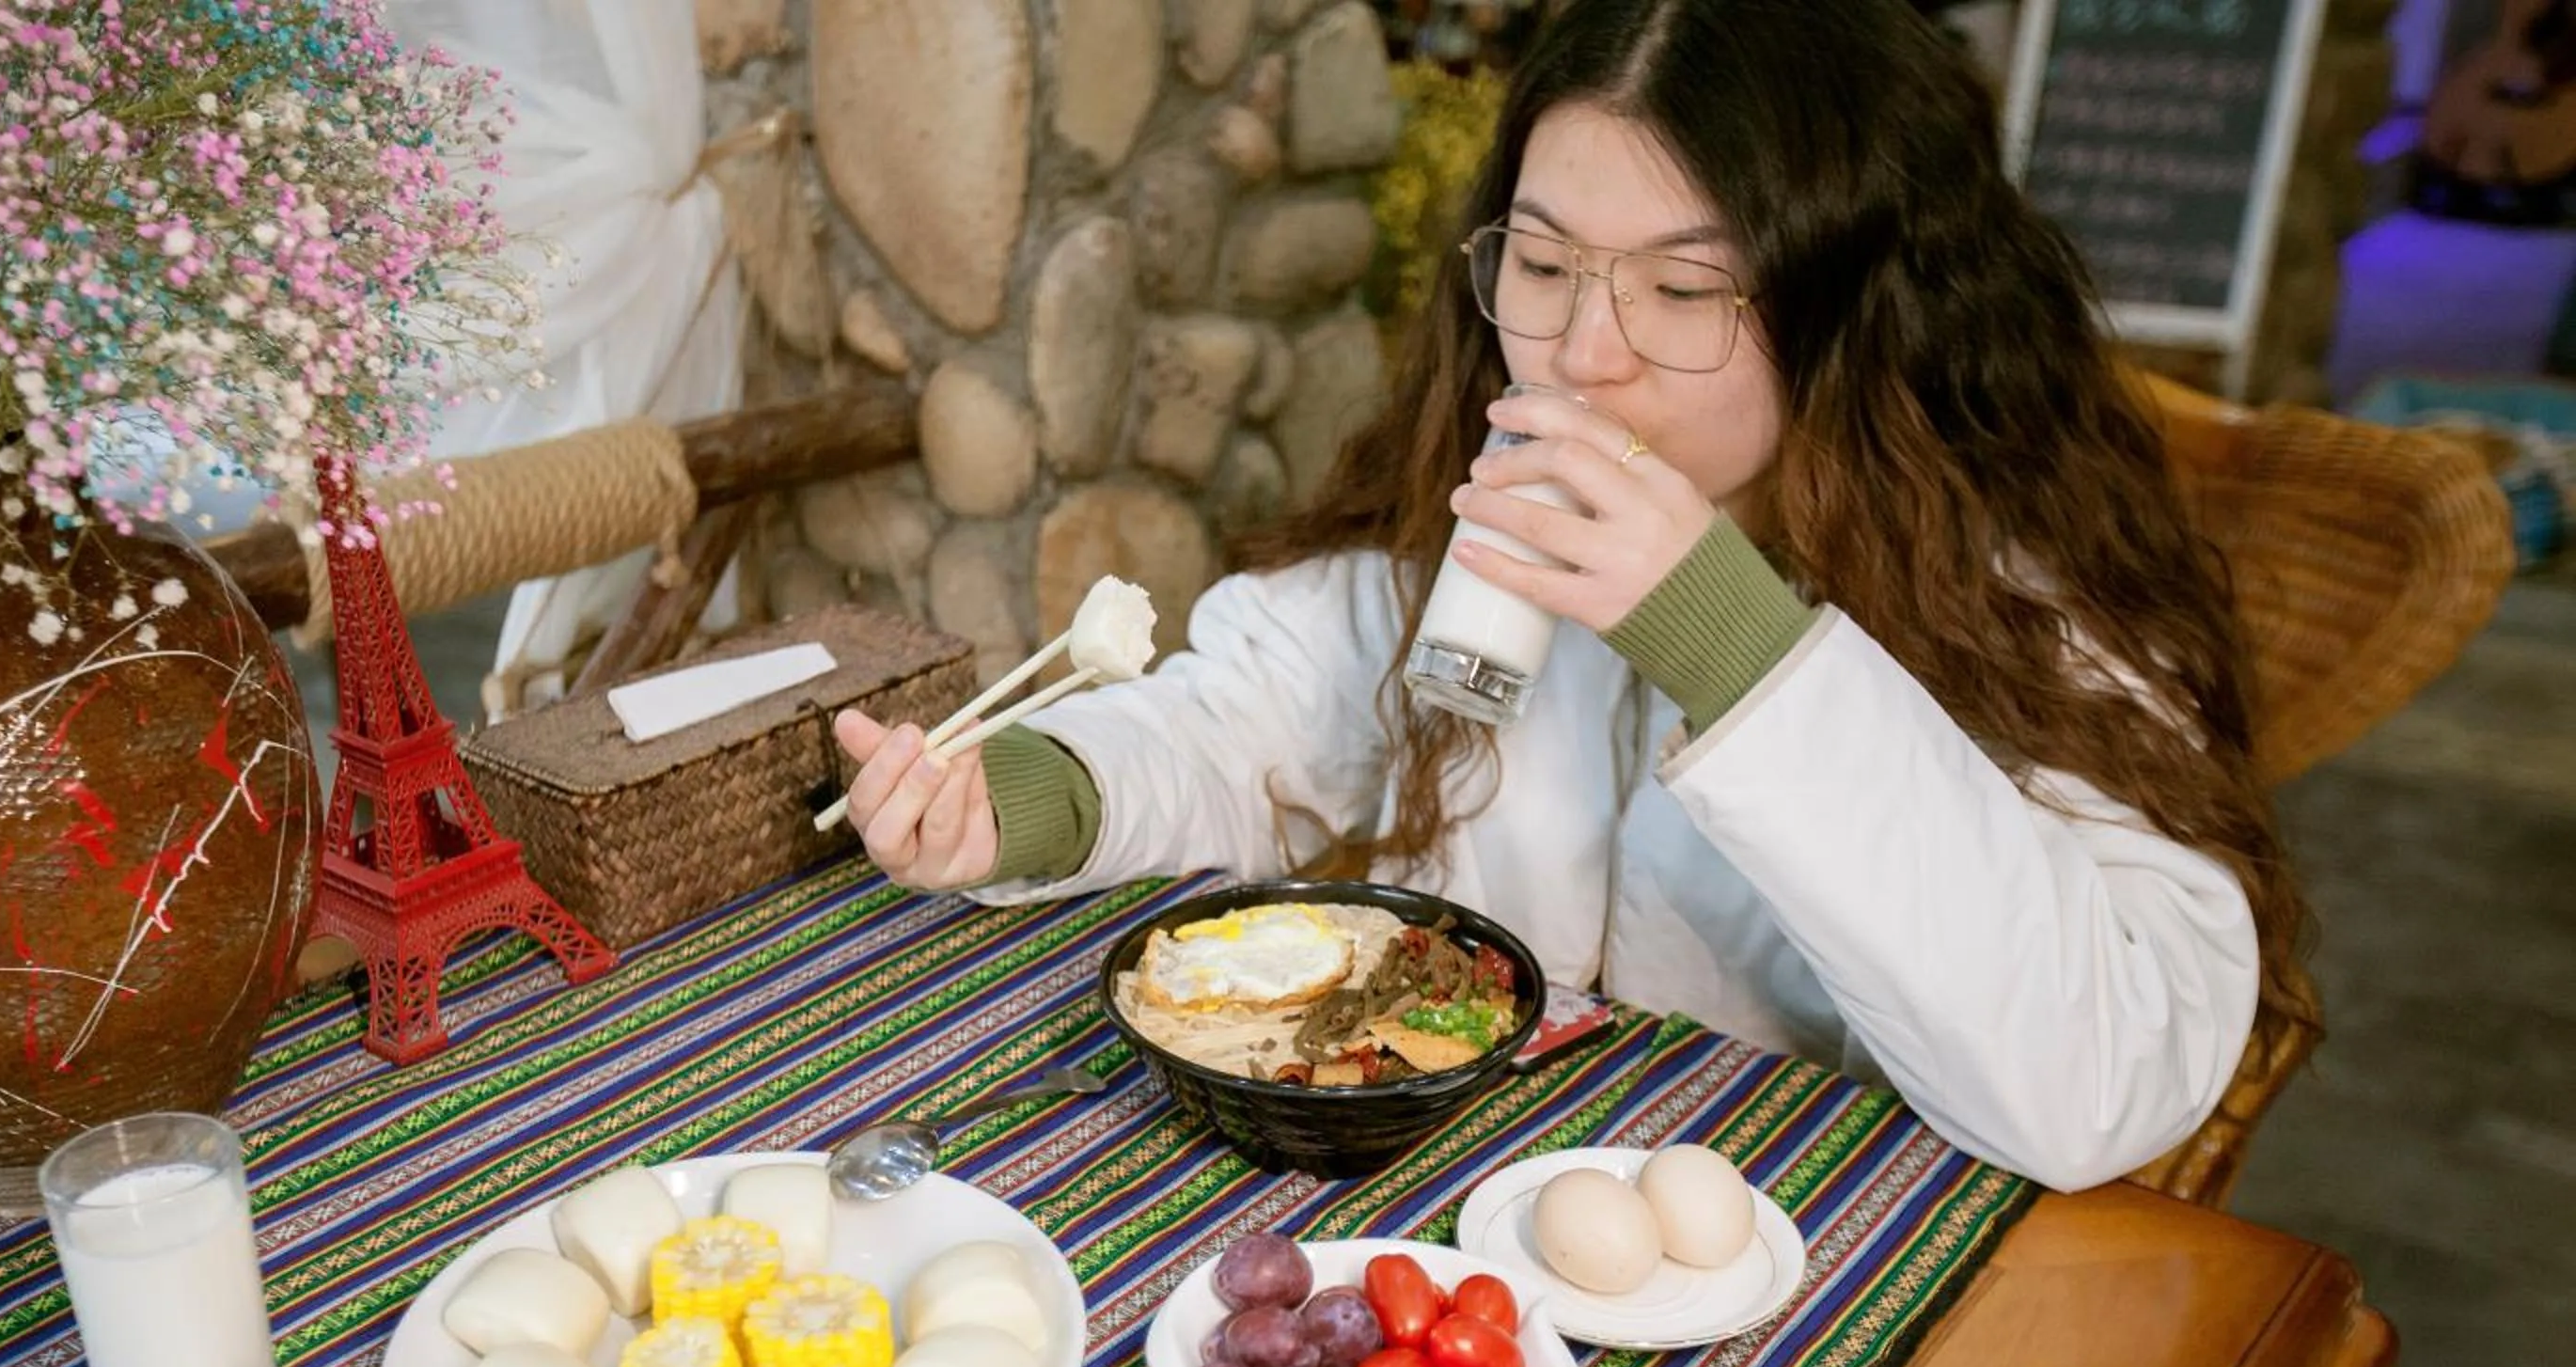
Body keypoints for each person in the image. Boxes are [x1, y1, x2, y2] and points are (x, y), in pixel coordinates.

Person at [828, 0, 2311, 1192]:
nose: (1582, 354)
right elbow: (1243, 725)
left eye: (1680, 293)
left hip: (1810, 1275)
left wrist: (1729, 642)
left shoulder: (2022, 599)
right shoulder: (1468, 512)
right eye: (1541, 265)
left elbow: (2108, 1084)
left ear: (1861, 305)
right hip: (1486, 1218)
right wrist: (1033, 794)